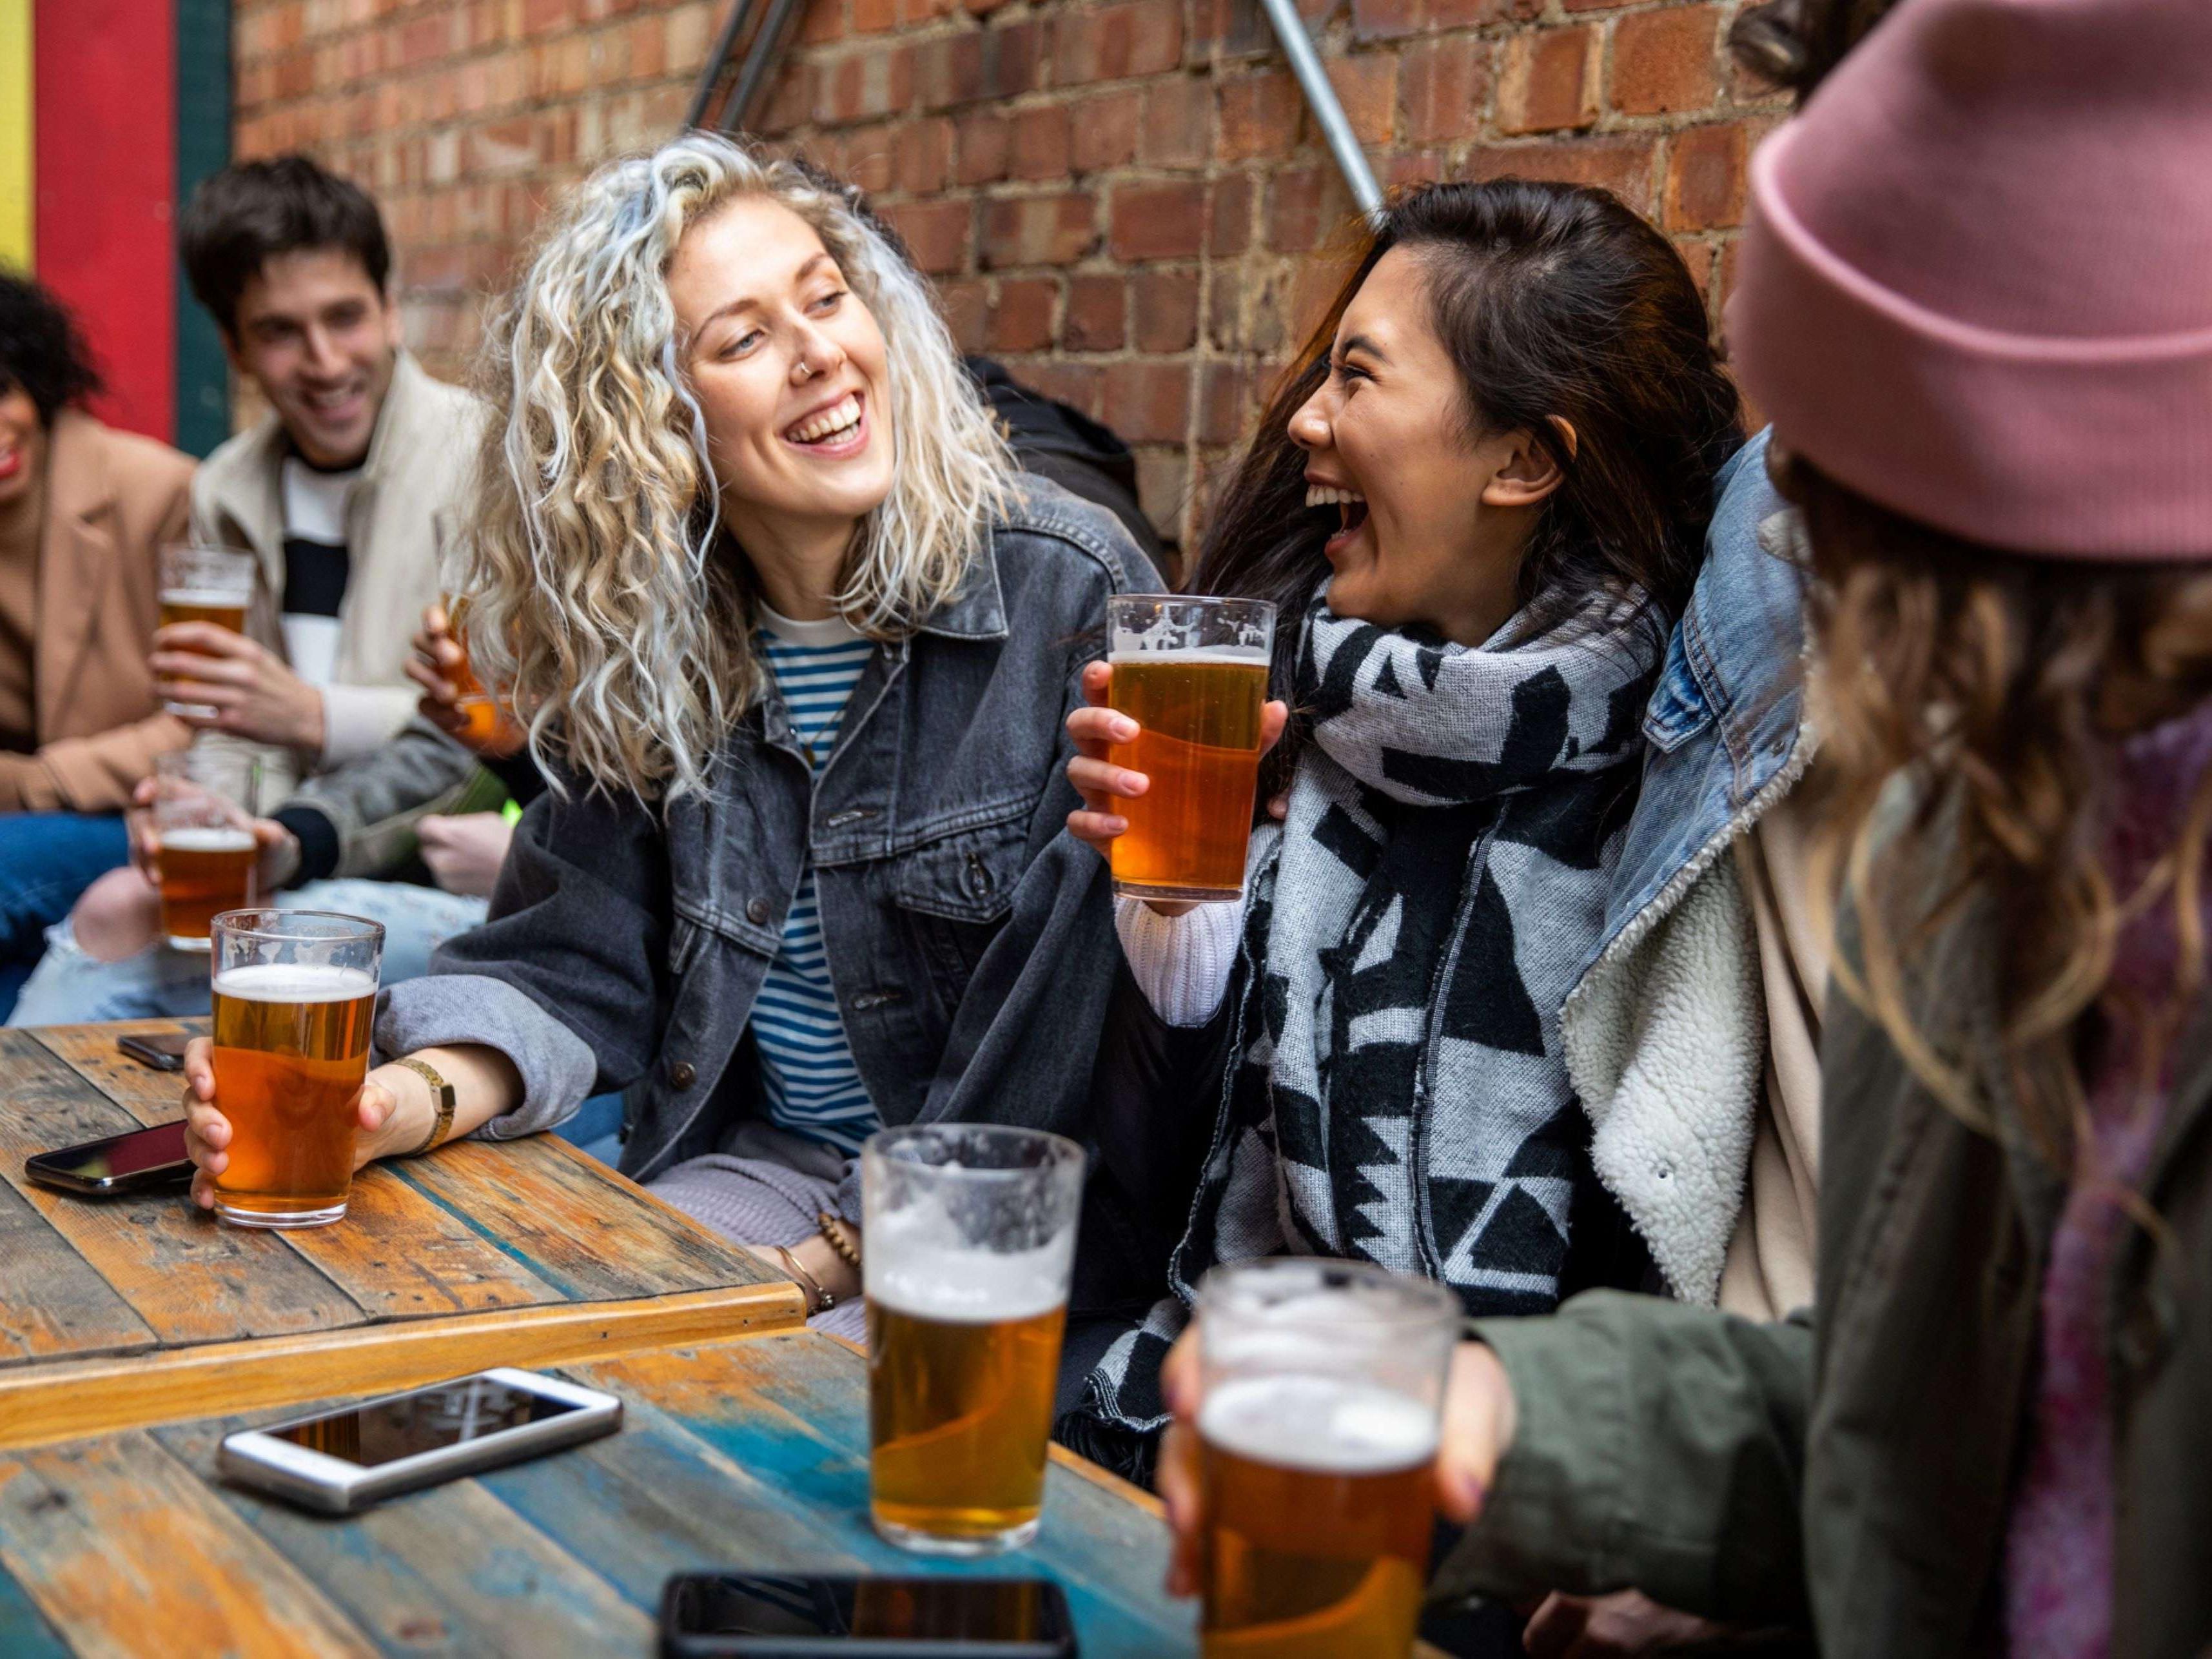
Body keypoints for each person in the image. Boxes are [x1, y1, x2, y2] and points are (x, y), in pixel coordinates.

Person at [1155, 1, 2212, 1651]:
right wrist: (1498, 1405)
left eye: (1858, 517)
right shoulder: (1993, 839)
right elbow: (1930, 1436)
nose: (1799, 574)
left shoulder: (1762, 791)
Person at [175, 134, 1159, 1336]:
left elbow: (1068, 1053)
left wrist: (826, 1262)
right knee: (469, 1330)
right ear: (655, 428)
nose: (819, 357)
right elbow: (568, 963)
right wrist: (392, 1101)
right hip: (774, 1162)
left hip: (1003, 1220)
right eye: (743, 340)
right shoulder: (650, 644)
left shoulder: (1062, 592)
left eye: (827, 298)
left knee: (727, 1408)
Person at [1057, 177, 1744, 1468]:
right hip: (1194, 1407)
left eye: (1358, 380)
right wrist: (1172, 912)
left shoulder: (1663, 799)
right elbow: (1134, 1199)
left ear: (1522, 460)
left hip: (1490, 1486)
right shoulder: (1280, 699)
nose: (1305, 419)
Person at [8, 155, 485, 1019]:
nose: (325, 360)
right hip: (287, 857)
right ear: (233, 346)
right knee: (113, 904)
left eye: (345, 317)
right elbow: (226, 730)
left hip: (433, 870)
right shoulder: (227, 487)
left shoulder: (485, 462)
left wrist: (312, 717)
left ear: (390, 307)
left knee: (106, 919)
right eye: (280, 332)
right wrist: (200, 800)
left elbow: (497, 736)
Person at [0, 274, 195, 1018]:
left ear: (37, 378)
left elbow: (215, 718)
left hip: (149, 814)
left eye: (1, 388)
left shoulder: (157, 492)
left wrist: (35, 782)